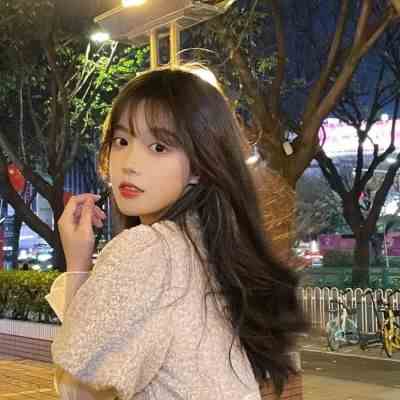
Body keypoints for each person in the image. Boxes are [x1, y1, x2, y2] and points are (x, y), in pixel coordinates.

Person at [45, 65, 308, 400]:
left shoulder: (148, 251)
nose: (129, 163)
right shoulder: (208, 248)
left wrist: (78, 265)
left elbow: (79, 387)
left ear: (200, 165)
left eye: (159, 147)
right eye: (121, 141)